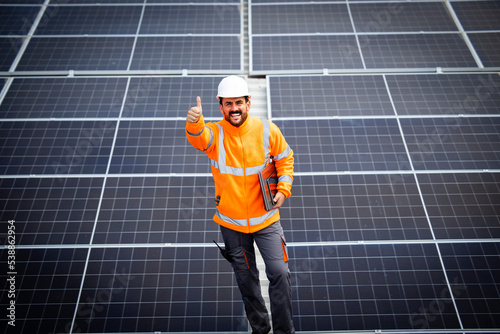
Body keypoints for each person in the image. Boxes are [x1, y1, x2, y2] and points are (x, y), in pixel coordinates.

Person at [185, 76, 295, 333]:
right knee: (247, 281)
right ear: (220, 106)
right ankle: (260, 329)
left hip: (266, 220)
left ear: (248, 102)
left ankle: (284, 331)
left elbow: (285, 159)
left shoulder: (267, 129)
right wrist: (194, 122)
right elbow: (198, 138)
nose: (234, 108)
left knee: (279, 273)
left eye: (238, 103)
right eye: (228, 104)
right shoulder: (214, 132)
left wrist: (283, 188)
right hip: (232, 225)